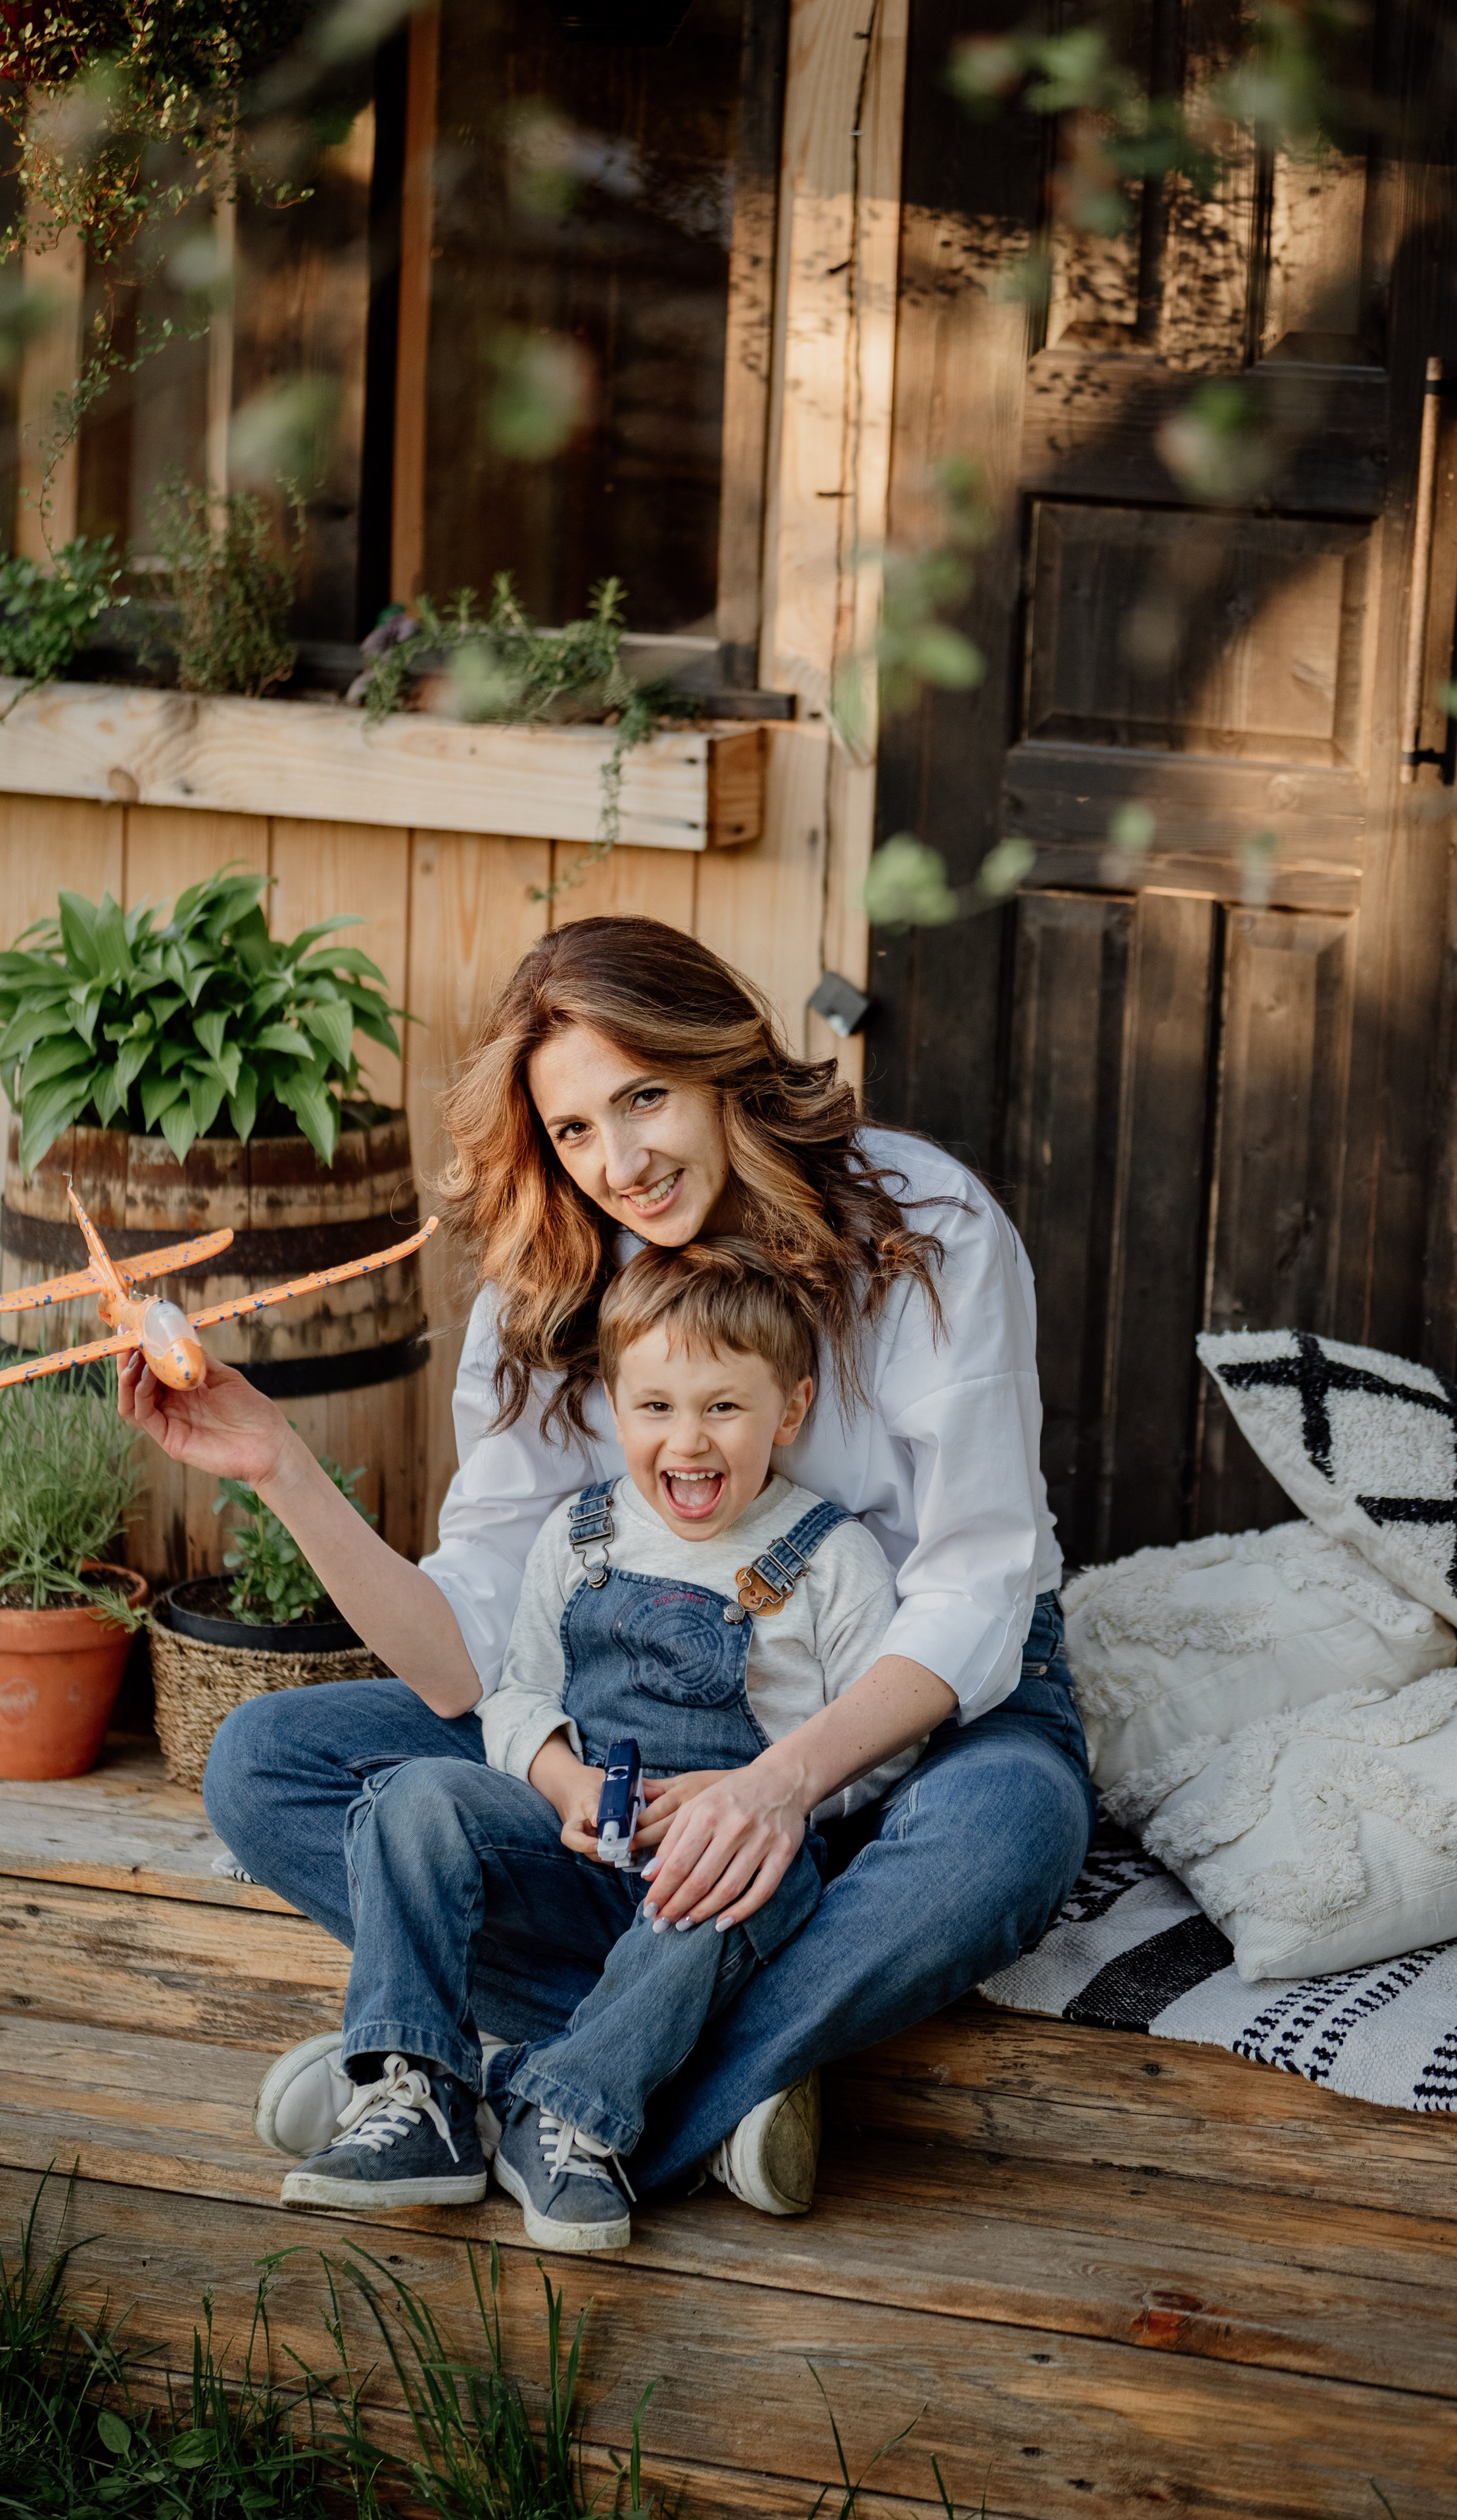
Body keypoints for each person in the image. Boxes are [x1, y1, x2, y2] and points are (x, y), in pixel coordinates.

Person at [122, 915, 1093, 2211]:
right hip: (633, 1736)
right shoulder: (546, 1285)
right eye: (574, 1130)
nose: (620, 1163)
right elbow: (467, 1662)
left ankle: (555, 2091)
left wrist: (778, 1789)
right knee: (267, 1760)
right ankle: (676, 2058)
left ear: (719, 1067)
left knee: (1010, 1832)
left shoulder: (922, 1227)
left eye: (644, 1100)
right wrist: (277, 1469)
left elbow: (976, 1584)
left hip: (909, 1711)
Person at [277, 1239, 900, 2249]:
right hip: (580, 1850)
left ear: (789, 1410)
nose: (688, 1441)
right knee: (418, 1793)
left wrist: (760, 1795)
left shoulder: (831, 1560)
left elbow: (880, 1747)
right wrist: (560, 1777)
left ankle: (564, 2108)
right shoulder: (580, 1535)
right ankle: (418, 2095)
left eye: (724, 1408)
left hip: (709, 1882)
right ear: (616, 1407)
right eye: (656, 1407)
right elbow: (516, 1694)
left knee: (777, 1877)